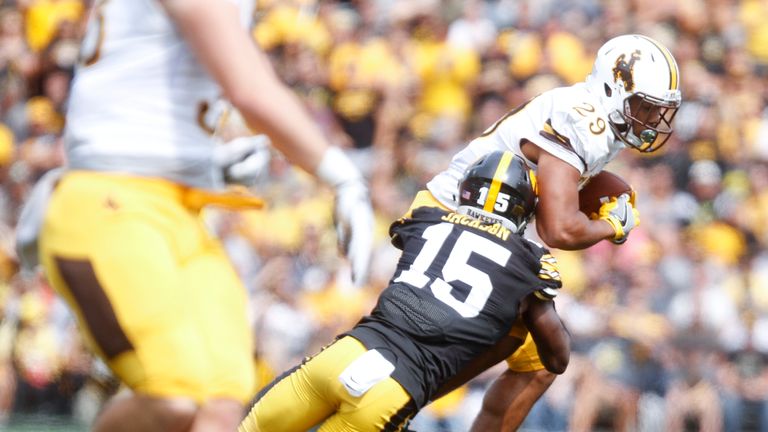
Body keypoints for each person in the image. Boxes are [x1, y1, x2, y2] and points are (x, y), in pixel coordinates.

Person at [22, 1, 374, 431]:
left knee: (223, 403)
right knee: (175, 399)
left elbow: (138, 79)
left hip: (173, 208)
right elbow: (250, 91)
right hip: (110, 201)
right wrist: (341, 176)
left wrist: (202, 161)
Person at [420, 34, 682, 430]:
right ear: (613, 89)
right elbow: (558, 229)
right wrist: (610, 226)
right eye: (643, 106)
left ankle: (417, 391)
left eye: (656, 109)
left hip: (489, 230)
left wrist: (607, 190)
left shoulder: (600, 122)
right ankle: (405, 392)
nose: (650, 120)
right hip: (453, 219)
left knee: (543, 361)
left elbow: (560, 180)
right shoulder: (585, 119)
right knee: (471, 347)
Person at [239, 150, 571, 432]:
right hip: (394, 390)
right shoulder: (530, 263)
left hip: (344, 355)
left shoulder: (428, 218)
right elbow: (556, 358)